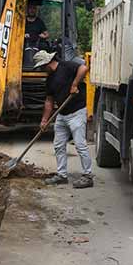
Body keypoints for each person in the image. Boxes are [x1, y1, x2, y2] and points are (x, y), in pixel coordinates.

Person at [33, 50, 93, 189]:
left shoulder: (66, 66)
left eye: (42, 67)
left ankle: (88, 176)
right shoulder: (49, 80)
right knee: (58, 145)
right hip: (62, 114)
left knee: (80, 145)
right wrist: (44, 120)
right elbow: (49, 101)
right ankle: (62, 175)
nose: (42, 70)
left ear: (47, 63)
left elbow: (84, 68)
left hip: (77, 112)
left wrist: (74, 84)